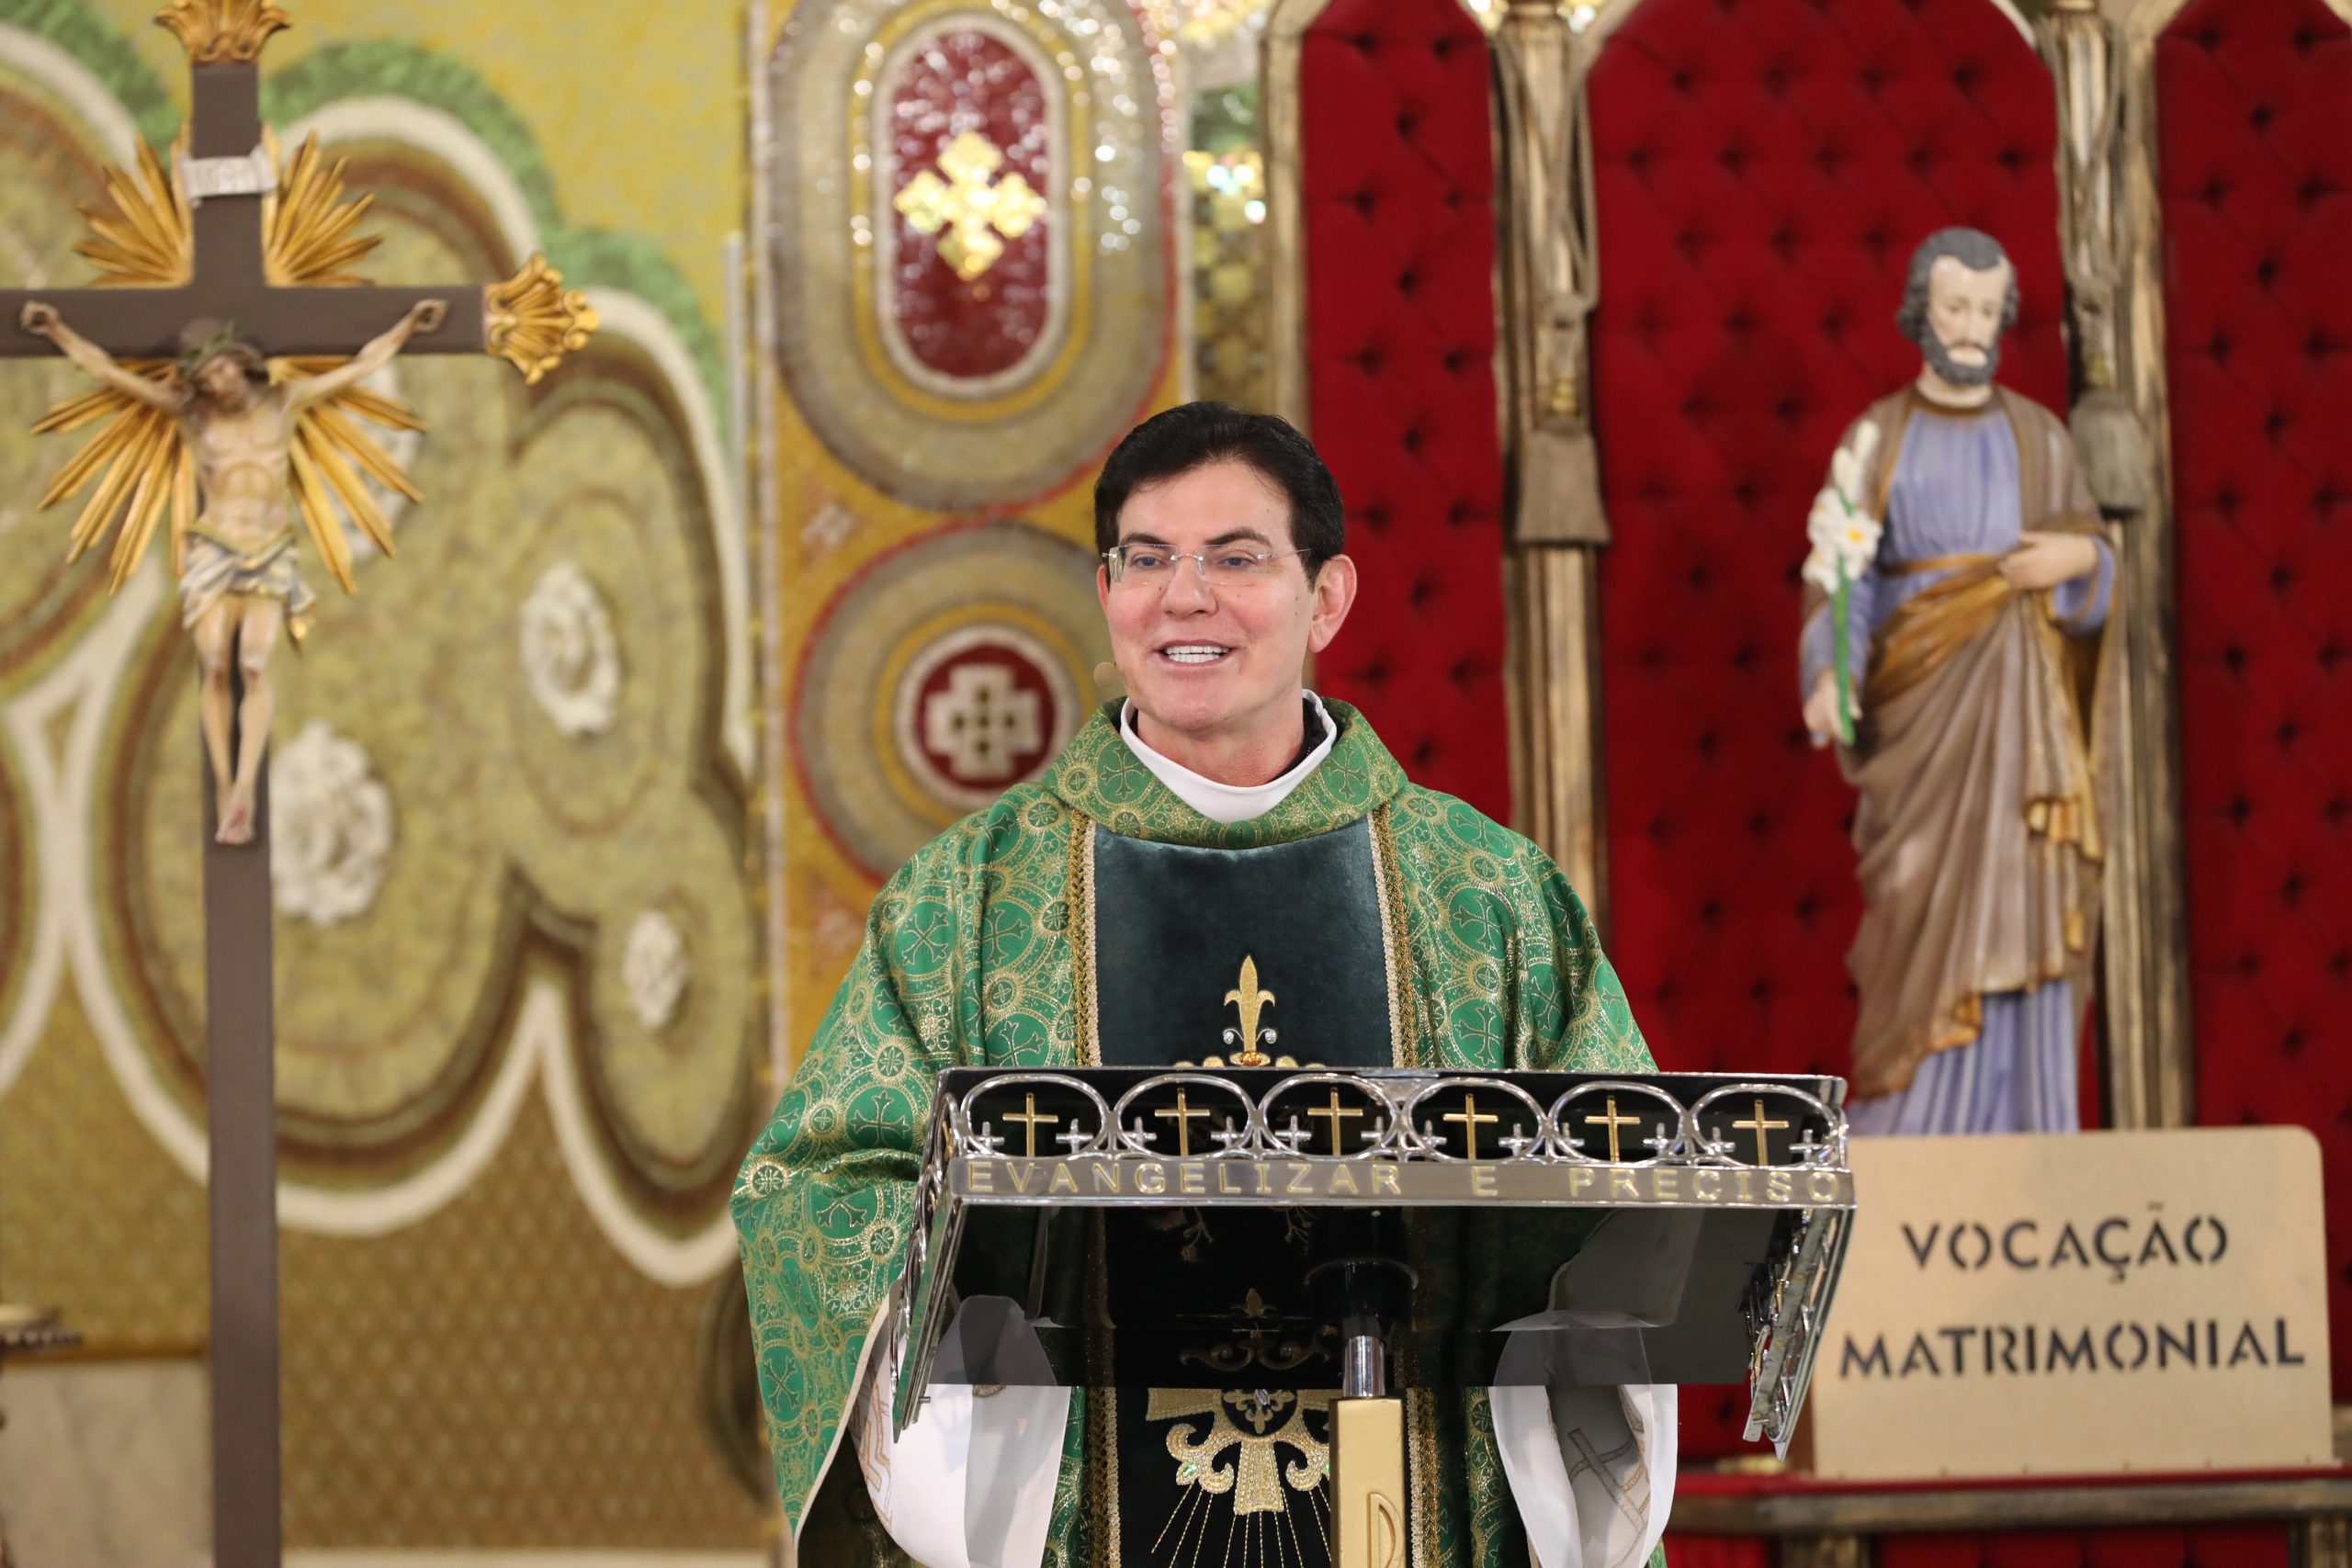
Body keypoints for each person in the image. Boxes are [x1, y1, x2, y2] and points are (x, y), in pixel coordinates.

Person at [735, 402, 1673, 1568]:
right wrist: (966, 1409)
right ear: (1106, 592)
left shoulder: (1484, 895)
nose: (1184, 598)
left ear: (1326, 597)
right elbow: (819, 1183)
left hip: (1418, 1506)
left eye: (1235, 559)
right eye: (1147, 560)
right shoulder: (966, 901)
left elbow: (1626, 1178)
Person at [1798, 229, 2116, 1135]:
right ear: (1921, 313)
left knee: (2025, 891)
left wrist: (2076, 561)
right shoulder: (1878, 438)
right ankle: (1911, 1124)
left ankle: (2028, 1121)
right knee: (1915, 902)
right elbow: (1841, 575)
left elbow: (2096, 562)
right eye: (1954, 307)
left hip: (2025, 715)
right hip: (1920, 724)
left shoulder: (2038, 436)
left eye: (1986, 309)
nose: (1971, 326)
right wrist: (1830, 672)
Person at [17, 298, 445, 843]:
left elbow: (358, 366)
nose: (218, 383)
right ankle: (224, 785)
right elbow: (108, 372)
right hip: (216, 547)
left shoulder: (284, 401)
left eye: (221, 369)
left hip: (268, 548)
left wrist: (408, 328)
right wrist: (57, 331)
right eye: (206, 378)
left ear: (240, 362)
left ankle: (246, 787)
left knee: (256, 665)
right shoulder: (193, 415)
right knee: (216, 666)